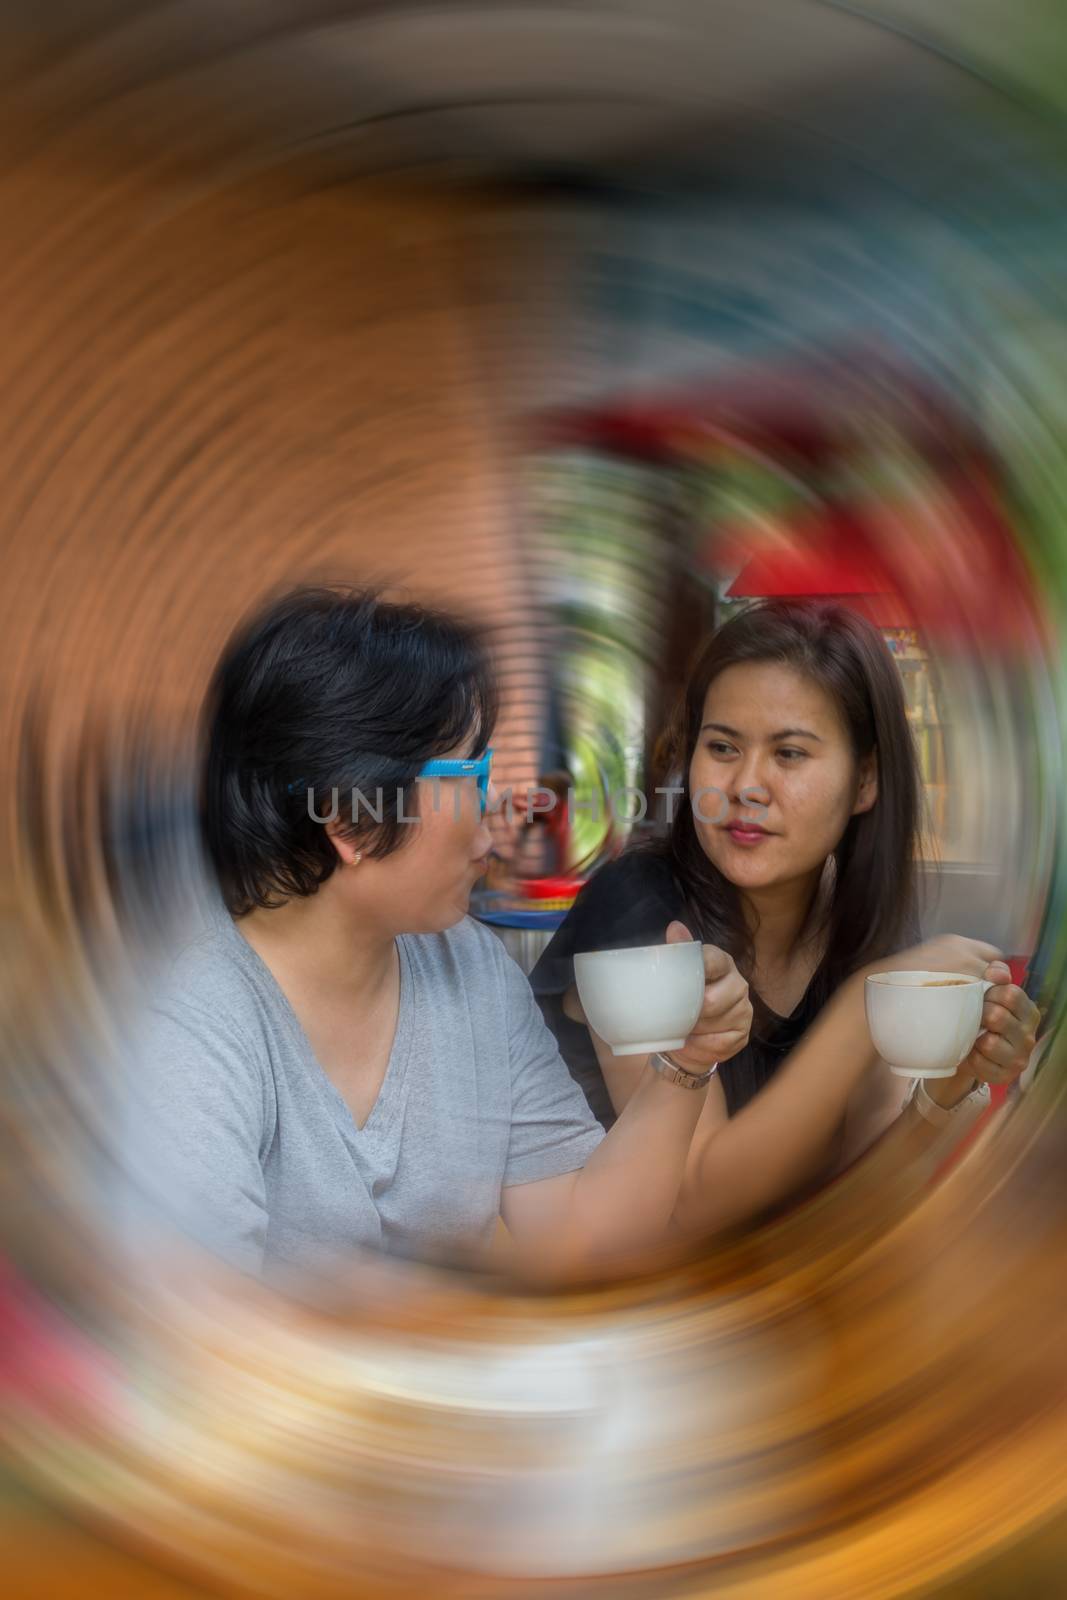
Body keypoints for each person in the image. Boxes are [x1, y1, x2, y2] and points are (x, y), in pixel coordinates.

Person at [125, 586, 750, 1287]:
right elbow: (207, 1340)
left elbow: (579, 1237)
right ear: (351, 822)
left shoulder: (471, 966)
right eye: (473, 771)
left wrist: (684, 1067)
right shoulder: (191, 1016)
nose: (498, 811)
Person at [531, 600, 1040, 1237]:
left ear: (865, 781)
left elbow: (867, 1189)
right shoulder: (638, 907)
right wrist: (862, 1010)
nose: (746, 785)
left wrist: (951, 1082)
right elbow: (693, 1205)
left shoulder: (864, 916)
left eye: (790, 754)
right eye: (721, 747)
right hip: (609, 1291)